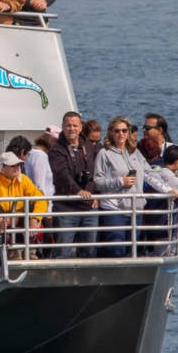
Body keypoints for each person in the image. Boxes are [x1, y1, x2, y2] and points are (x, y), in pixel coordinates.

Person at [93, 116, 148, 258]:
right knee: (116, 249)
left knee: (133, 250)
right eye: (117, 131)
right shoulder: (104, 153)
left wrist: (169, 188)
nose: (121, 134)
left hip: (136, 208)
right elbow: (98, 182)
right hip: (114, 208)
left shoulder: (135, 153)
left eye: (124, 130)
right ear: (111, 132)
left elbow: (150, 173)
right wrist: (120, 181)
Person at [48, 110, 100, 258]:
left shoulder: (89, 147)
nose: (72, 128)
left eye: (75, 125)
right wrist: (78, 191)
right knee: (63, 251)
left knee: (90, 251)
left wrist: (93, 193)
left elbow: (94, 172)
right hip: (66, 207)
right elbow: (62, 174)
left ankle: (88, 278)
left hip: (89, 207)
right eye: (68, 125)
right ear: (63, 127)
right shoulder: (56, 150)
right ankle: (59, 276)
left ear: (81, 127)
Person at [0, 152, 47, 250]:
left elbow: (41, 199)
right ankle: (8, 247)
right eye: (12, 165)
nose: (16, 167)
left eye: (18, 164)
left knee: (32, 206)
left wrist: (35, 217)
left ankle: (31, 248)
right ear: (2, 168)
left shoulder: (24, 180)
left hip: (19, 219)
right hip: (0, 224)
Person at [142, 144, 178, 256]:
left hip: (149, 223)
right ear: (177, 161)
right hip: (164, 226)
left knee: (150, 253)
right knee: (163, 255)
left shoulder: (154, 171)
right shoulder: (172, 179)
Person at [139, 112, 178, 181]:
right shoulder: (138, 149)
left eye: (147, 128)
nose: (143, 130)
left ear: (160, 130)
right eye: (143, 127)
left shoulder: (176, 150)